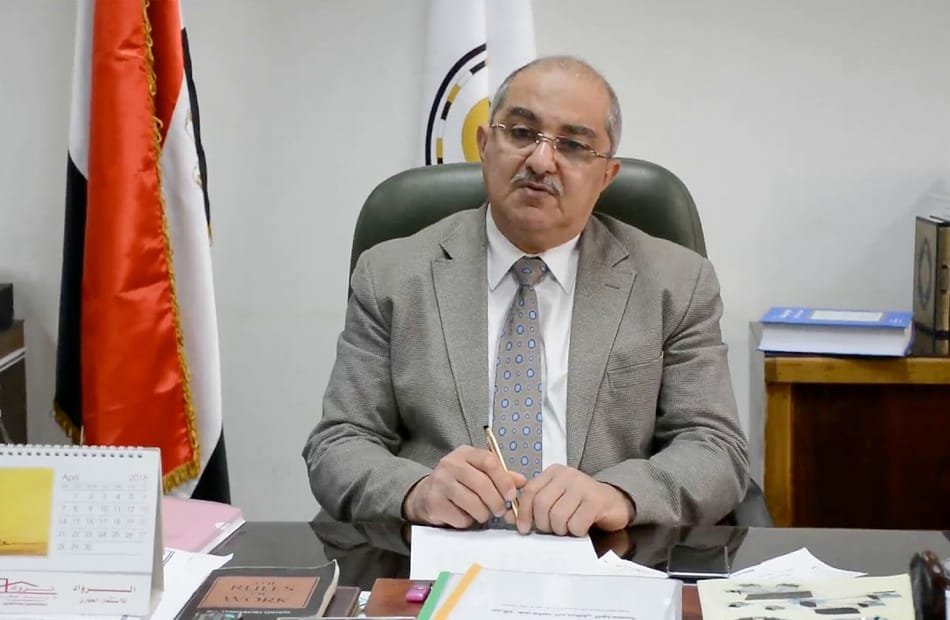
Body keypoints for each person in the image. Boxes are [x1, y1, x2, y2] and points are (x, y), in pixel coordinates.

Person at [303, 56, 749, 536]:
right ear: (484, 145)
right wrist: (416, 491)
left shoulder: (675, 283)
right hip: (437, 554)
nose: (540, 161)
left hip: (604, 553)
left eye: (573, 145)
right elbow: (339, 443)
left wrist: (618, 494)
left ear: (606, 176)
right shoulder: (391, 275)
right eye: (520, 133)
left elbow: (716, 448)